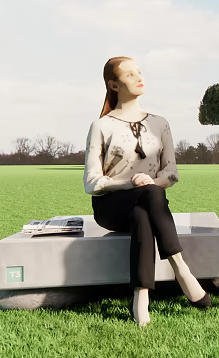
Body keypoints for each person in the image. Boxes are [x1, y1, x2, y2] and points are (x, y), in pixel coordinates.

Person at [83, 56, 211, 326]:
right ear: (113, 85)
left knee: (144, 211)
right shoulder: (101, 126)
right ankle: (181, 268)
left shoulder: (160, 123)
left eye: (139, 72)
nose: (139, 78)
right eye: (129, 75)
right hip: (111, 206)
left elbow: (171, 173)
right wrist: (129, 183)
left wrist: (149, 182)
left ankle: (140, 296)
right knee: (151, 194)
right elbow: (91, 182)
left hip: (149, 203)